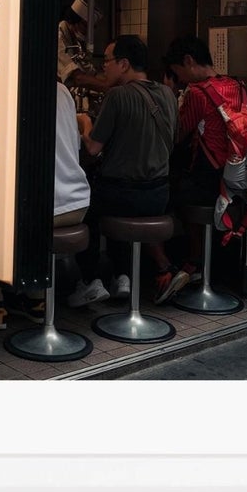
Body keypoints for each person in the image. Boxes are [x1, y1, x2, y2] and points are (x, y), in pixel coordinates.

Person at [68, 34, 180, 306]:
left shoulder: (117, 96)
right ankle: (122, 276)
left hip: (122, 195)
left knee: (87, 207)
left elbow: (93, 148)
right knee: (116, 201)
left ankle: (91, 280)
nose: (103, 66)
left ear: (124, 64)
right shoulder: (167, 93)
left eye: (107, 61)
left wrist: (83, 124)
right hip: (159, 196)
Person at [0, 78, 91, 330]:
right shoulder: (62, 91)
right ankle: (36, 301)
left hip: (46, 206)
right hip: (78, 202)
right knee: (28, 219)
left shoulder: (6, 89)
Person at [161, 34, 247, 293]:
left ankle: (193, 261)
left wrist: (170, 95)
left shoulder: (197, 93)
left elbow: (177, 135)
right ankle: (206, 264)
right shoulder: (236, 85)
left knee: (168, 194)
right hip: (236, 175)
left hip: (208, 180)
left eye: (178, 72)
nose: (179, 78)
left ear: (188, 61)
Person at [57, 0, 111, 97]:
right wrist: (108, 88)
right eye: (86, 26)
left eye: (92, 28)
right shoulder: (58, 39)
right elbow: (78, 77)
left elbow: (90, 72)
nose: (88, 32)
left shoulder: (75, 41)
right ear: (75, 20)